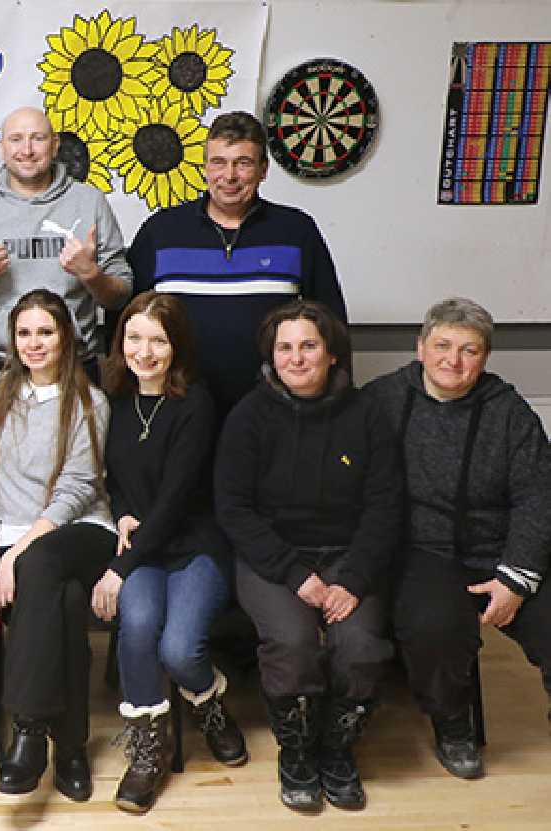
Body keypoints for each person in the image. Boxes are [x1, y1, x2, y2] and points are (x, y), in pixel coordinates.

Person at [214, 300, 400, 813]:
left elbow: (385, 507)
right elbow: (233, 509)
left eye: (309, 346)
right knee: (293, 644)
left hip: (349, 557)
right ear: (271, 358)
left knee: (360, 647)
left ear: (332, 355)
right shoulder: (248, 416)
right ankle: (296, 752)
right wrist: (296, 575)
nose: (296, 358)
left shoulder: (367, 415)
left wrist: (354, 580)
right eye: (285, 348)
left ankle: (337, 750)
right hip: (273, 558)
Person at [365, 297, 551, 780]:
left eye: (469, 350)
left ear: (485, 358)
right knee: (436, 627)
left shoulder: (509, 412)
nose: (454, 360)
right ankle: (453, 724)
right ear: (420, 348)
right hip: (422, 551)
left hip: (502, 550)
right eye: (443, 345)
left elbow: (538, 497)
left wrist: (515, 579)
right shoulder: (381, 399)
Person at [90, 292, 245, 814]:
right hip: (143, 544)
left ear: (177, 347)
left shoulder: (195, 403)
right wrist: (120, 517)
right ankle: (147, 753)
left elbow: (178, 501)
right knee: (136, 630)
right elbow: (110, 480)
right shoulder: (112, 398)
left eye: (159, 339)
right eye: (134, 338)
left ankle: (210, 704)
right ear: (120, 343)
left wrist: (118, 567)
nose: (145, 351)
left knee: (179, 650)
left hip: (194, 542)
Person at [128, 111, 347, 419]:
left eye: (243, 163)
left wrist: (335, 401)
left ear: (263, 170)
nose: (229, 176)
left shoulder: (297, 231)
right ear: (204, 167)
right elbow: (127, 320)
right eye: (219, 162)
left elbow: (331, 323)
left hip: (273, 409)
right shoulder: (161, 231)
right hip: (178, 405)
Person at [0, 289, 113, 801]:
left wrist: (15, 554)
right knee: (62, 602)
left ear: (66, 338)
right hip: (18, 535)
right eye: (24, 333)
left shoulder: (89, 400)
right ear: (12, 340)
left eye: (46, 332)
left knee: (40, 565)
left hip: (80, 530)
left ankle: (29, 728)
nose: (34, 343)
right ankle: (71, 745)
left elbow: (79, 488)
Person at [0, 107, 132, 377]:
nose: (26, 150)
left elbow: (120, 296)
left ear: (55, 145)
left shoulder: (89, 202)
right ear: (2, 146)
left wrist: (92, 274)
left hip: (73, 365)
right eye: (16, 139)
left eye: (37, 138)